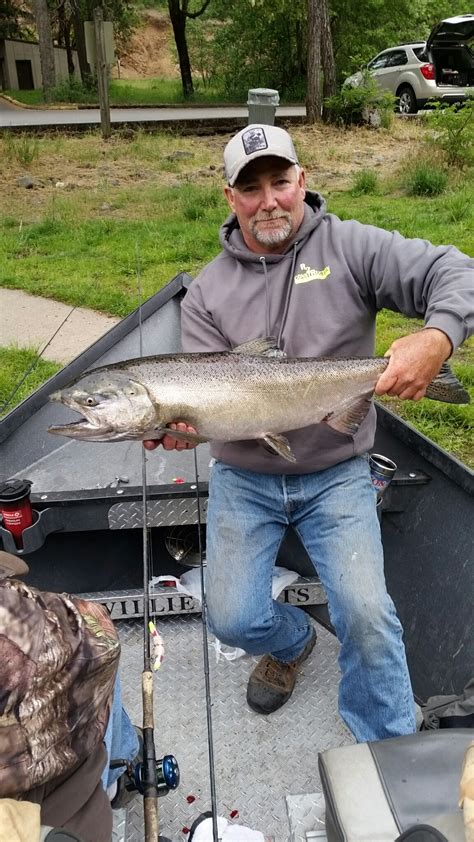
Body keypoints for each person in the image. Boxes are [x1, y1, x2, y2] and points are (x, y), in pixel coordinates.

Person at [144, 124, 473, 743]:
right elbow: (210, 410)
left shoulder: (351, 248)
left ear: (303, 181)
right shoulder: (207, 292)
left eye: (280, 181)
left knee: (367, 616)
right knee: (230, 617)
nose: (268, 200)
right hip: (246, 475)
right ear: (230, 197)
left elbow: (456, 270)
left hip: (338, 472)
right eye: (251, 188)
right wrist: (179, 431)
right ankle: (293, 641)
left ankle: (390, 748)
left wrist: (438, 336)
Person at [0, 551, 140, 842]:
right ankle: (117, 775)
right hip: (56, 811)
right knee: (90, 653)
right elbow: (99, 635)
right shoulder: (10, 633)